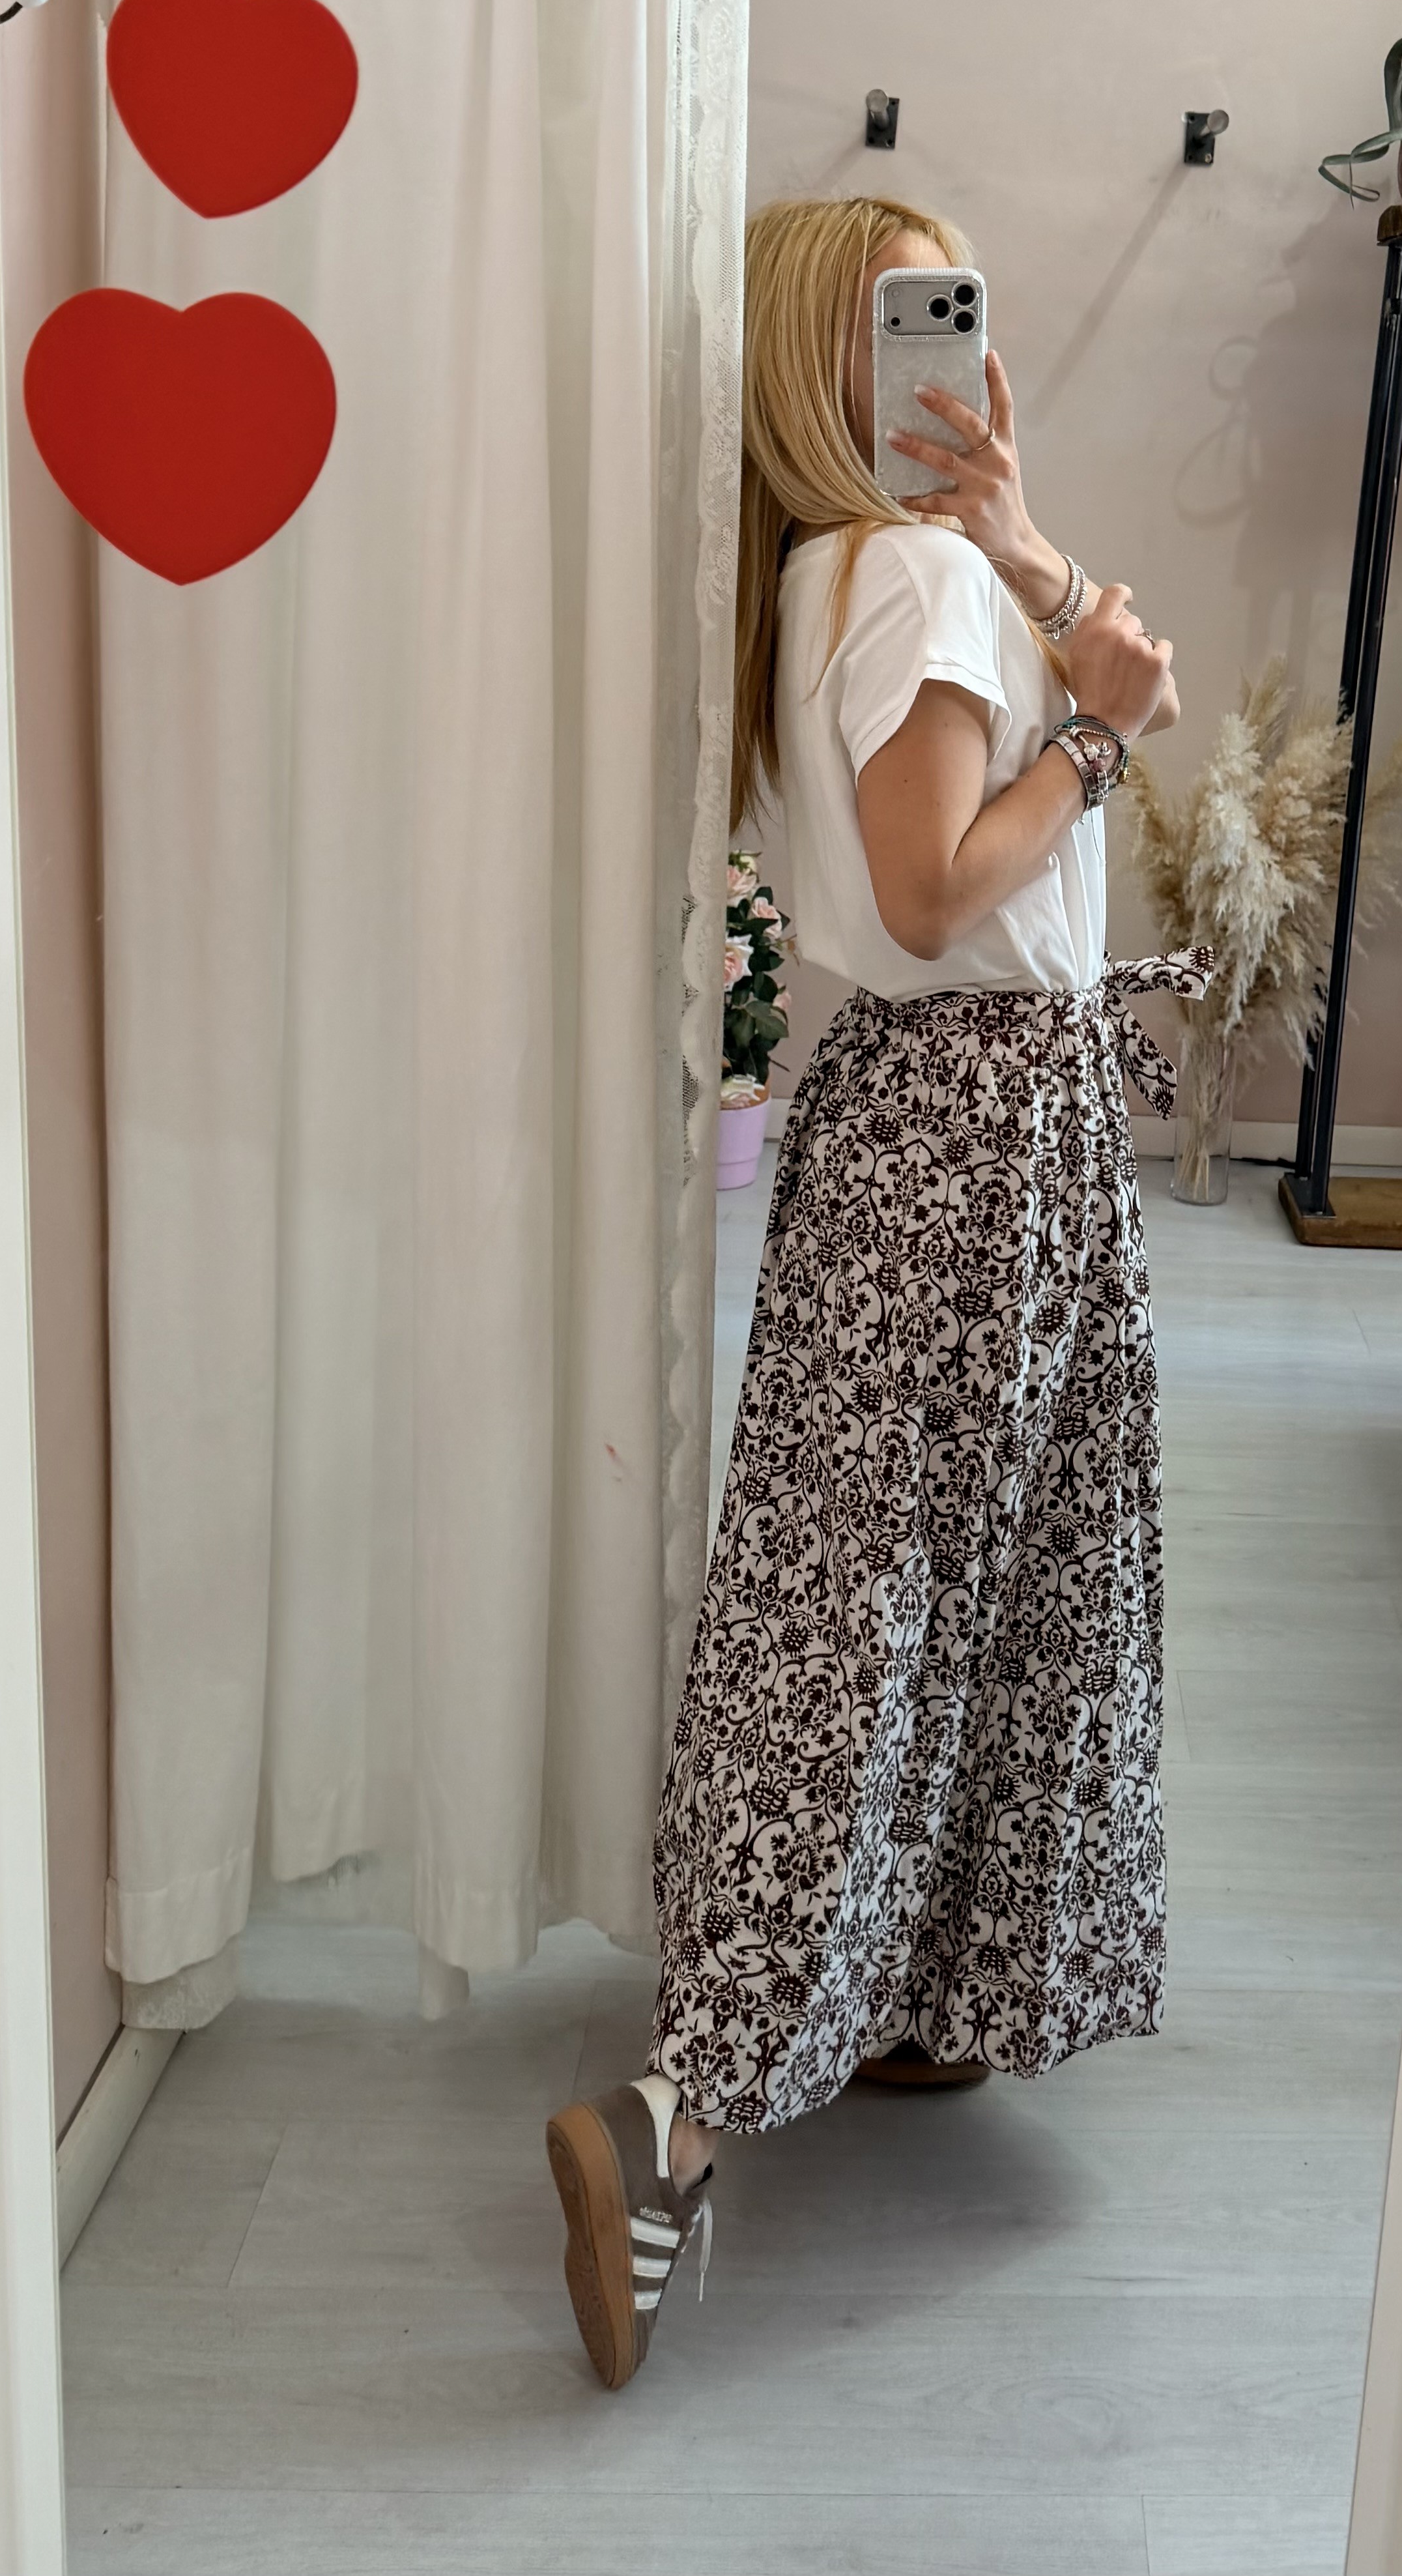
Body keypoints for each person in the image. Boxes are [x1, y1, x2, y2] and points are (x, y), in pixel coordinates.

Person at [545, 193, 1205, 2391]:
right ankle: (671, 2125)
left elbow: (1060, 718)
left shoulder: (849, 568)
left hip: (907, 1116)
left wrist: (1029, 552)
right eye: (904, 312)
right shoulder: (904, 582)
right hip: (979, 1122)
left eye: (960, 295)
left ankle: (900, 1992)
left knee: (889, 1579)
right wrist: (1092, 738)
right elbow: (932, 892)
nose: (952, 338)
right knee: (891, 1605)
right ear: (827, 365)